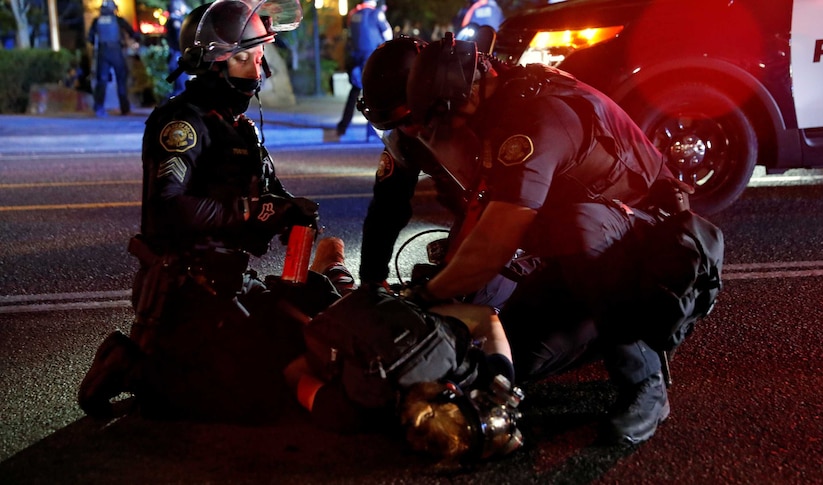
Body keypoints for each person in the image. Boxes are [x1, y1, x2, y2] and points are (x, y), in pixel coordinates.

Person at [403, 32, 695, 445]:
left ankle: (645, 381)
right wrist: (451, 299)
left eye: (450, 116)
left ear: (473, 87)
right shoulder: (502, 108)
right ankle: (606, 325)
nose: (451, 128)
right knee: (511, 355)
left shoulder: (533, 120)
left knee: (579, 223)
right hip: (588, 260)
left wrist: (426, 295)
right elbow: (481, 222)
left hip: (654, 250)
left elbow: (495, 243)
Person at [76, 0, 344, 423]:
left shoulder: (237, 126)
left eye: (260, 59)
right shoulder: (182, 122)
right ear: (220, 61)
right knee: (257, 391)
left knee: (315, 330)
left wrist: (289, 210)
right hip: (185, 291)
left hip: (232, 281)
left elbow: (267, 196)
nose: (260, 71)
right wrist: (249, 212)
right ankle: (137, 367)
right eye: (251, 59)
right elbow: (169, 208)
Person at [357, 35, 535, 310]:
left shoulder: (495, 108)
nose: (410, 132)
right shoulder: (408, 134)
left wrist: (440, 289)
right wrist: (371, 281)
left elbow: (502, 216)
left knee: (476, 305)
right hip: (475, 210)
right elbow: (387, 206)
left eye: (409, 119)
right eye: (397, 125)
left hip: (528, 215)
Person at [282, 285, 525, 463]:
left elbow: (486, 316)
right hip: (323, 319)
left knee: (327, 260)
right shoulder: (356, 414)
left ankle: (334, 273)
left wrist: (418, 317)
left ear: (454, 391)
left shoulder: (488, 378)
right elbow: (296, 373)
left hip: (372, 299)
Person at [335, 0, 392, 137]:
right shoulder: (376, 14)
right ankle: (373, 129)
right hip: (372, 58)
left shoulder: (354, 13)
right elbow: (388, 36)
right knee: (373, 93)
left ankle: (343, 127)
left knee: (355, 91)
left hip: (356, 58)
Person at [87, 0, 141, 117]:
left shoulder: (97, 21)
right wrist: (136, 40)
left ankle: (99, 107)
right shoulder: (117, 20)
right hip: (116, 51)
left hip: (102, 52)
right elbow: (132, 32)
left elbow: (90, 38)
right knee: (121, 79)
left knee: (102, 81)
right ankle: (124, 108)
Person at [166, 0, 190, 98]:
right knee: (181, 87)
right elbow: (179, 39)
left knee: (180, 87)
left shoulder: (174, 19)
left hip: (175, 56)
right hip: (177, 56)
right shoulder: (175, 20)